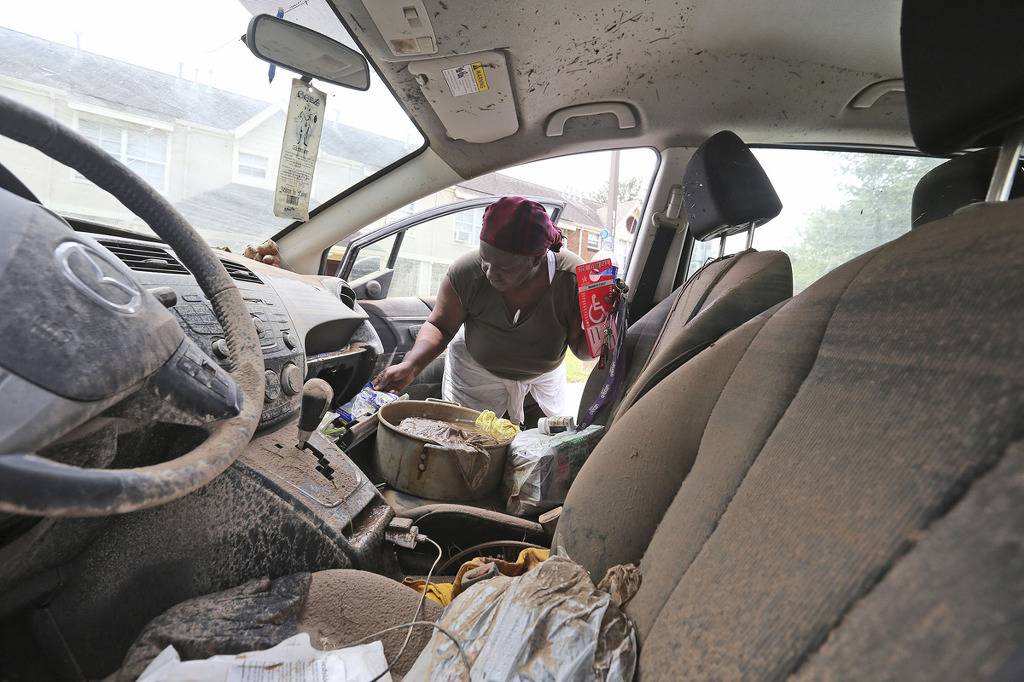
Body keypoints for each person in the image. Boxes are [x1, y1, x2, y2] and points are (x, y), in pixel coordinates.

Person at [373, 196, 591, 424]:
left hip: (539, 386)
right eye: (485, 261)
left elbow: (582, 349)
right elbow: (440, 325)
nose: (489, 273)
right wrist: (412, 364)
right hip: (474, 381)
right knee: (466, 446)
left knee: (535, 449)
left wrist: (602, 333)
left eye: (504, 268)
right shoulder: (466, 271)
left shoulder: (573, 279)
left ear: (537, 259)